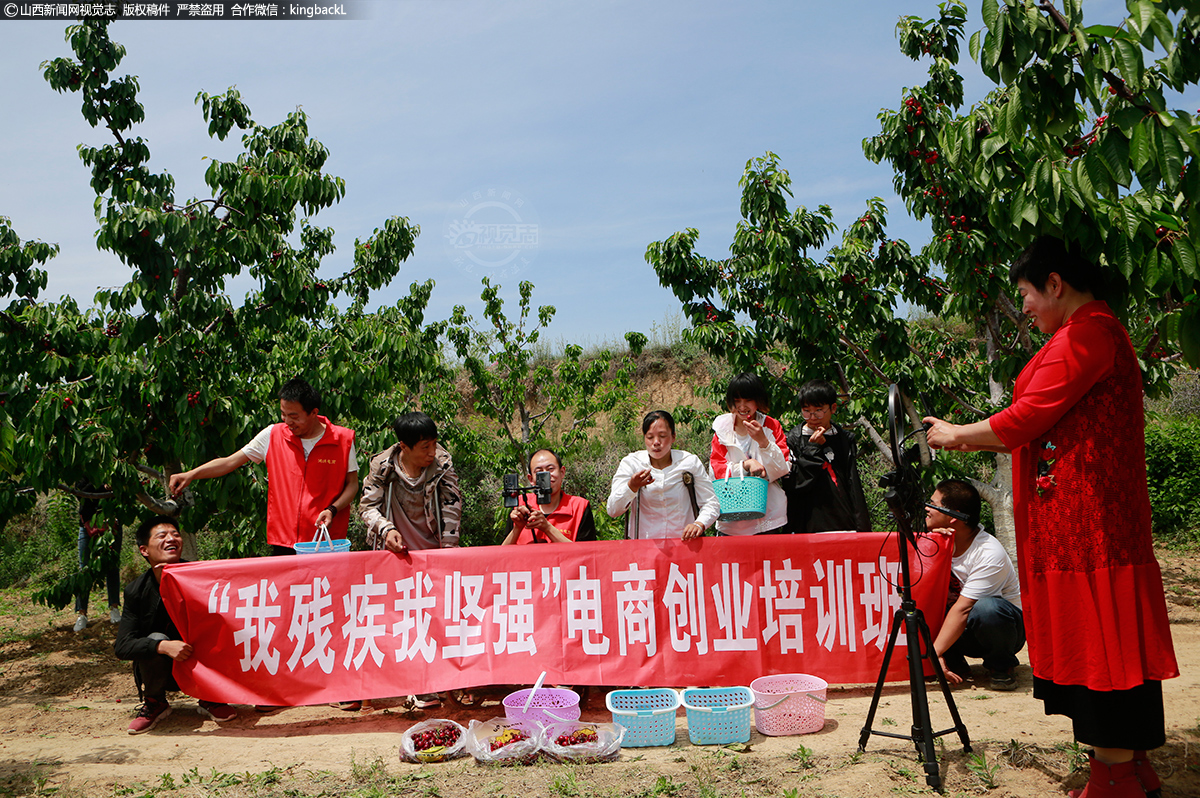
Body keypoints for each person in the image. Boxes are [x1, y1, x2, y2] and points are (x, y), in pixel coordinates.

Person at [923, 235, 1178, 798]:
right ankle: (1130, 765)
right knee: (1116, 641)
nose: (1026, 307)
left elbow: (1024, 419)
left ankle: (1114, 776)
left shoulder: (1085, 335)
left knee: (1103, 641)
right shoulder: (1094, 331)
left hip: (1087, 525)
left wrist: (955, 436)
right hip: (1092, 522)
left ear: (1055, 284)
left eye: (1027, 294)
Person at [168, 378, 359, 555]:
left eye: (294, 416)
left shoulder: (342, 440)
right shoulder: (273, 435)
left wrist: (332, 509)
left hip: (326, 542)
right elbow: (228, 462)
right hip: (285, 542)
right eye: (283, 414)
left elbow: (352, 485)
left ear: (314, 413)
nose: (287, 422)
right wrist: (191, 474)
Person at [359, 411, 463, 711]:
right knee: (400, 621)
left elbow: (453, 506)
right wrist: (386, 529)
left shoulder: (443, 463)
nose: (431, 452)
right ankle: (413, 686)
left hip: (434, 551)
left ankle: (444, 684)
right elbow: (367, 506)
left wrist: (448, 554)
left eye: (434, 444)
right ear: (404, 446)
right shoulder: (382, 465)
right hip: (395, 554)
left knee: (437, 619)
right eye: (424, 448)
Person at [114, 515, 236, 734]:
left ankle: (211, 698)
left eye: (175, 534)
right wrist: (162, 647)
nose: (171, 538)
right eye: (162, 536)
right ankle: (155, 703)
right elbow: (122, 646)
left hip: (202, 662)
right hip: (165, 668)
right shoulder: (136, 591)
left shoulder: (202, 576)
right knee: (154, 639)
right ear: (144, 550)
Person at [925, 479, 1024, 691]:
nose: (927, 508)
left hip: (1002, 629)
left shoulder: (988, 552)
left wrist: (933, 654)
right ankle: (954, 663)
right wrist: (926, 540)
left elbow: (963, 609)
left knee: (987, 608)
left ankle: (1001, 666)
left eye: (933, 504)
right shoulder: (934, 540)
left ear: (953, 517)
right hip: (963, 630)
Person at [607, 410, 719, 539]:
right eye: (650, 437)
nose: (656, 442)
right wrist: (631, 487)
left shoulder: (689, 462)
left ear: (673, 437)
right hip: (644, 547)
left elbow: (711, 503)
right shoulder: (632, 463)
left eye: (662, 436)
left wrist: (699, 524)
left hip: (684, 545)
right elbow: (613, 510)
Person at [784, 379, 871, 533]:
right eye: (806, 411)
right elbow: (795, 484)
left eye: (818, 410)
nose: (812, 417)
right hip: (805, 527)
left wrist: (862, 528)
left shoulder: (844, 439)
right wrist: (813, 447)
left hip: (843, 524)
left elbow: (853, 484)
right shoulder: (792, 439)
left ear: (833, 408)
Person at [708, 373, 790, 535]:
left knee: (767, 561)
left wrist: (764, 442)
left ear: (758, 400)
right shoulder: (722, 430)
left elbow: (783, 467)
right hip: (732, 518)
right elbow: (715, 471)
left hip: (768, 518)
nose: (742, 406)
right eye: (737, 401)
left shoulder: (771, 426)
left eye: (747, 400)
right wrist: (745, 466)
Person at [502, 448, 597, 544]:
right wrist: (518, 527)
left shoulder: (580, 507)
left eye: (550, 469)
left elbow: (586, 553)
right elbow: (502, 554)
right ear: (531, 479)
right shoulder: (520, 504)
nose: (546, 476)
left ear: (562, 472)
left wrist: (547, 528)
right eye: (539, 471)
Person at [73, 493, 122, 632]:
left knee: (112, 565)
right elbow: (80, 491)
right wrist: (103, 487)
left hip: (111, 523)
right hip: (87, 524)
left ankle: (114, 608)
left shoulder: (110, 473)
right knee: (84, 569)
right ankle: (82, 613)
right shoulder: (84, 473)